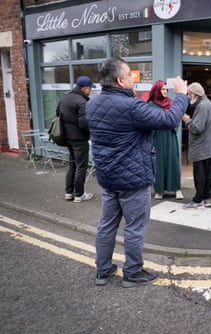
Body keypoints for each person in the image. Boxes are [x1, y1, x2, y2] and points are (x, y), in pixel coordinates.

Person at [86, 57, 189, 287]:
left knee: (107, 225)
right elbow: (170, 119)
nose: (134, 78)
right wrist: (181, 94)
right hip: (133, 179)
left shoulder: (92, 103)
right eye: (131, 75)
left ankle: (103, 271)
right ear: (121, 80)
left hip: (108, 177)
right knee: (134, 227)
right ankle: (132, 273)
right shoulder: (132, 106)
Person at [57, 75, 95, 203]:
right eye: (90, 88)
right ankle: (79, 194)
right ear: (85, 88)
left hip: (67, 137)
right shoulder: (82, 102)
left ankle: (69, 192)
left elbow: (58, 114)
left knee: (72, 164)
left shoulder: (65, 98)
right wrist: (90, 133)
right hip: (79, 139)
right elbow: (84, 124)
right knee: (81, 167)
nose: (91, 91)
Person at [182, 82, 211, 209]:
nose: (188, 96)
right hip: (209, 147)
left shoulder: (202, 106)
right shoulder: (209, 104)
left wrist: (186, 119)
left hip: (202, 148)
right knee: (207, 174)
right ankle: (206, 198)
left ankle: (198, 200)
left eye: (189, 94)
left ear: (194, 94)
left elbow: (197, 128)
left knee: (200, 175)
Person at [147, 80, 184, 200]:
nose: (165, 92)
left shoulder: (171, 103)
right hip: (157, 137)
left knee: (172, 161)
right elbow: (149, 121)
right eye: (162, 89)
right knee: (159, 163)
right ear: (157, 90)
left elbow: (177, 117)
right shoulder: (151, 105)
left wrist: (172, 123)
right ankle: (159, 190)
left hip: (170, 136)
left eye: (166, 89)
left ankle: (177, 188)